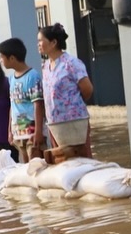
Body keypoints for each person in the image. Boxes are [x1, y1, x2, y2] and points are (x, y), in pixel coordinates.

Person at [37, 24, 94, 163]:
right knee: (61, 159)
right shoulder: (45, 66)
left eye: (40, 40)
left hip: (74, 120)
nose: (38, 44)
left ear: (54, 42)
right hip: (54, 122)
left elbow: (87, 89)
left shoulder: (71, 63)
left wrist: (72, 107)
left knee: (82, 158)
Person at [0, 37, 46, 162]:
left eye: (2, 57)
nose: (1, 61)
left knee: (36, 164)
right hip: (18, 132)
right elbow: (12, 105)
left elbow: (38, 104)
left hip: (32, 132)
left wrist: (38, 131)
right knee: (25, 166)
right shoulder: (11, 79)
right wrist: (10, 131)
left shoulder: (32, 76)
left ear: (12, 58)